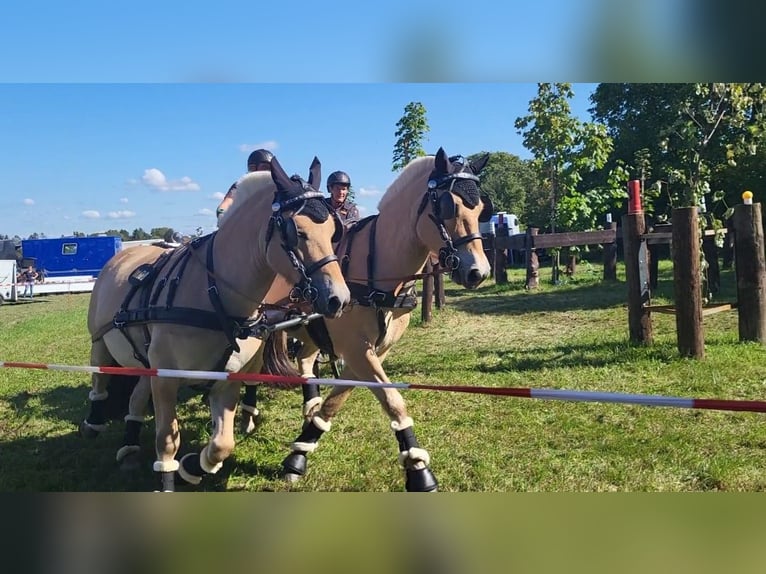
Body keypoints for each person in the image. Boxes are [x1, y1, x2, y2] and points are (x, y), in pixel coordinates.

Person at [216, 148, 274, 224]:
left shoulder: (277, 186)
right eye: (265, 167)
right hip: (245, 224)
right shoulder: (241, 185)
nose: (268, 171)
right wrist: (223, 214)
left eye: (268, 168)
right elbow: (227, 203)